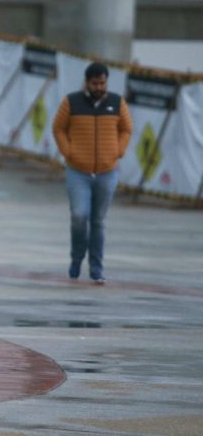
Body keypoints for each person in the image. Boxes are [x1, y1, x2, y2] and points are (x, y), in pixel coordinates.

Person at [53, 62, 133, 285]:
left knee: (98, 221)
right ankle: (76, 258)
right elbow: (58, 127)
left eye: (103, 82)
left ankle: (96, 268)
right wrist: (68, 151)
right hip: (78, 171)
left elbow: (127, 128)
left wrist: (119, 150)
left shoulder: (117, 103)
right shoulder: (72, 102)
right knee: (79, 216)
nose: (99, 86)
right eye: (95, 83)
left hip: (107, 171)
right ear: (87, 82)